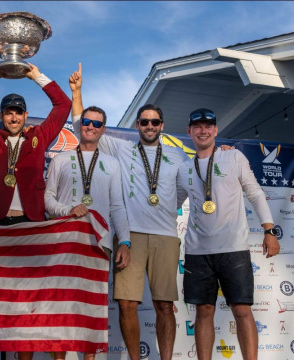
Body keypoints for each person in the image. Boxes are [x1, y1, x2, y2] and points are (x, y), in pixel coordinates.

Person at [69, 63, 187, 360]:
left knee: (164, 305)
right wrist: (77, 92)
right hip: (129, 237)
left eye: (155, 122)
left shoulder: (175, 154)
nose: (149, 126)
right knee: (126, 304)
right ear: (137, 125)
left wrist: (168, 209)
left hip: (165, 236)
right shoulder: (121, 148)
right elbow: (80, 124)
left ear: (162, 125)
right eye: (144, 122)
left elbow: (186, 189)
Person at [0, 64, 71, 359]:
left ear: (25, 116)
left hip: (28, 224)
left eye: (18, 112)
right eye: (8, 112)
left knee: (25, 300)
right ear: (2, 115)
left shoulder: (39, 137)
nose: (13, 116)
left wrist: (36, 76)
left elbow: (64, 104)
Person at [180, 108, 280, 360]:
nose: (203, 131)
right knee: (203, 311)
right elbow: (171, 205)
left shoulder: (234, 157)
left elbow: (255, 193)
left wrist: (269, 230)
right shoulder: (183, 168)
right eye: (197, 126)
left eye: (208, 126)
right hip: (197, 252)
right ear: (189, 131)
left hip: (233, 249)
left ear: (216, 130)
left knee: (242, 310)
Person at [44, 105, 131, 360]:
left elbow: (117, 206)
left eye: (96, 124)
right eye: (87, 122)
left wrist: (125, 241)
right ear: (79, 125)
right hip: (64, 242)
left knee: (91, 310)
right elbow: (47, 199)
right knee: (61, 308)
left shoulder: (112, 164)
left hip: (98, 244)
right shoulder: (60, 159)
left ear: (103, 129)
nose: (90, 127)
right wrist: (68, 209)